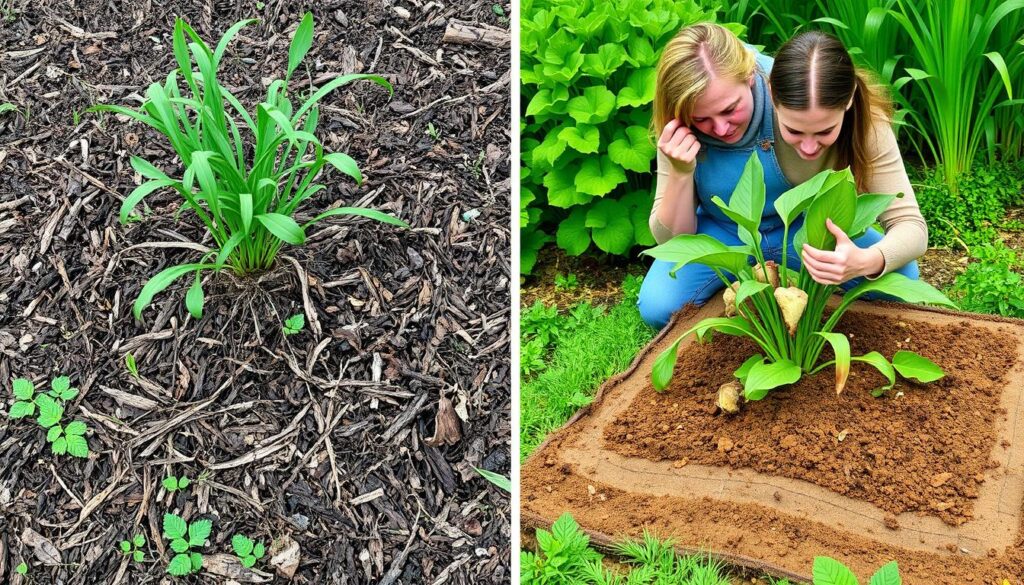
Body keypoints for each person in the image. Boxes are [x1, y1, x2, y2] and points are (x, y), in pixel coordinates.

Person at [638, 25, 926, 329]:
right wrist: (681, 174)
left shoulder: (820, 97)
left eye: (730, 109)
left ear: (754, 80)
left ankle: (781, 287)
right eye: (702, 119)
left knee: (899, 285)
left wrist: (866, 261)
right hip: (724, 233)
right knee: (660, 306)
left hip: (810, 231)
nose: (721, 129)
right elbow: (674, 242)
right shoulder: (680, 116)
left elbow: (911, 227)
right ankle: (743, 289)